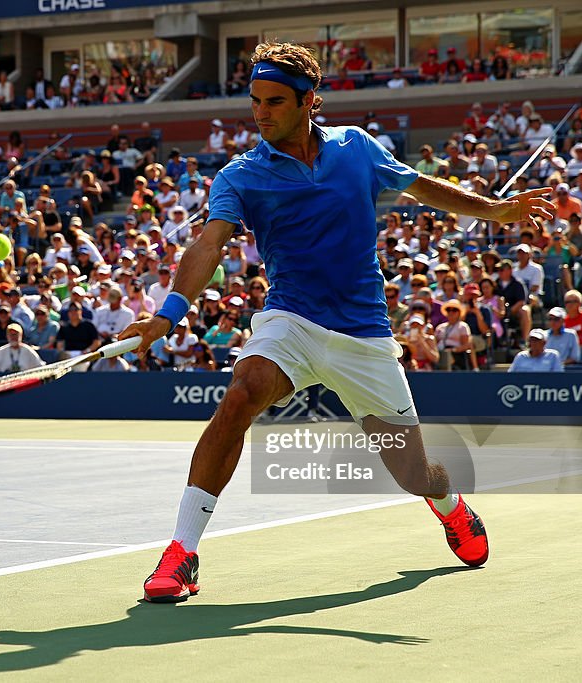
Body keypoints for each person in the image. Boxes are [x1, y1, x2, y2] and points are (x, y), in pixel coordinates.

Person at [120, 41, 552, 602]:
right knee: (240, 396)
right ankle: (182, 554)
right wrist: (167, 313)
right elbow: (208, 245)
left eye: (275, 101)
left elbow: (421, 187)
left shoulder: (357, 150)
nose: (261, 113)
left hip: (364, 336)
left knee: (413, 474)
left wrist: (494, 210)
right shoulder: (240, 176)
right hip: (291, 320)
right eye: (255, 101)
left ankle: (449, 506)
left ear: (309, 102)